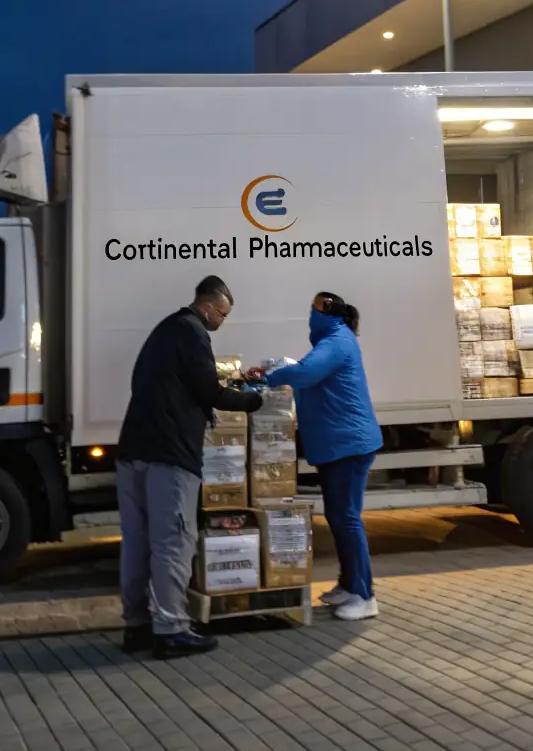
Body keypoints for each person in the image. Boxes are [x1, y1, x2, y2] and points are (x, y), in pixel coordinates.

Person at [116, 276, 262, 659]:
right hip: (170, 454)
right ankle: (171, 629)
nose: (222, 322)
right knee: (172, 542)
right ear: (210, 307)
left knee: (137, 542)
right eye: (223, 315)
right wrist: (253, 401)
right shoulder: (193, 332)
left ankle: (137, 627)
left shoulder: (163, 330)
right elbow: (209, 391)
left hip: (133, 449)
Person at [255, 291, 382, 620]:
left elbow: (305, 374)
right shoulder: (333, 340)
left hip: (348, 446)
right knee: (340, 519)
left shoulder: (337, 340)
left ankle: (364, 595)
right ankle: (349, 583)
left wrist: (266, 379)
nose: (309, 316)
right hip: (338, 445)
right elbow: (306, 370)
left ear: (326, 312)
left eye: (312, 310)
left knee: (348, 520)